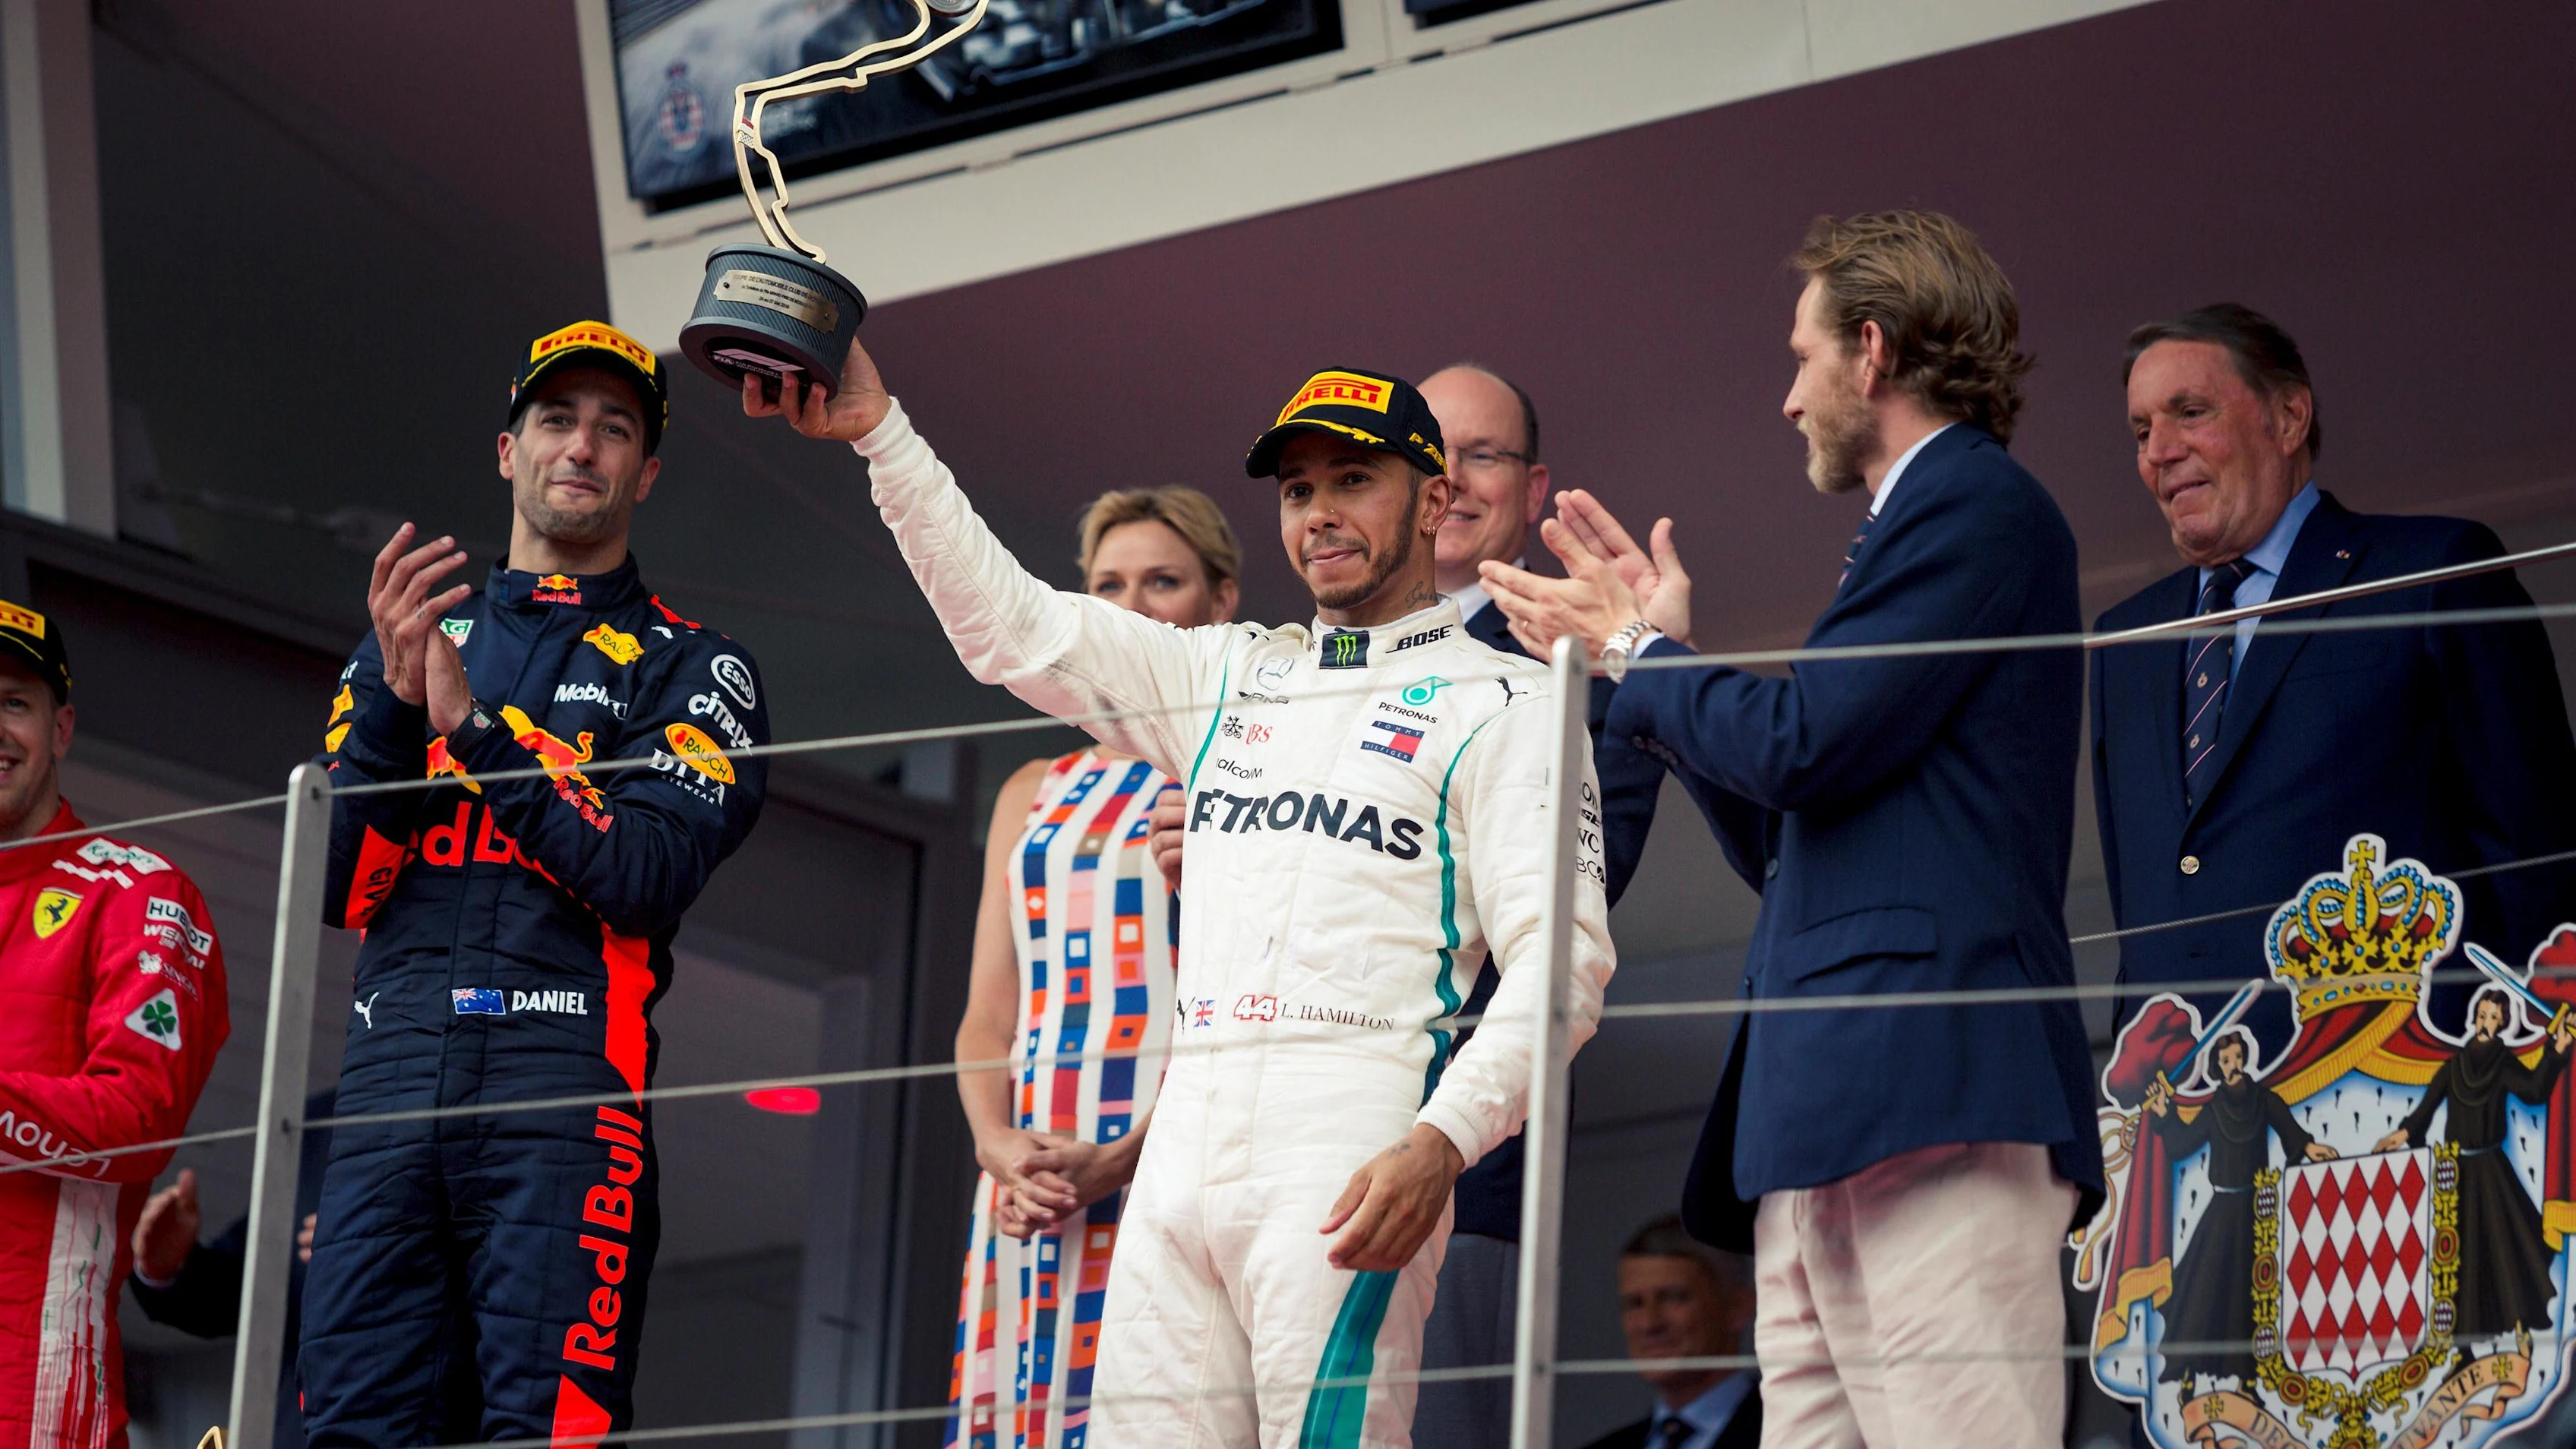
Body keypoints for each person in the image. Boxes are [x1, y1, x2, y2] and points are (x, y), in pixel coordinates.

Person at [747, 346, 1615, 1447]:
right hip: (1184, 1139)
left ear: (1433, 498)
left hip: (1350, 1131)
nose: (1321, 514)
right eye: (1299, 489)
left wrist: (1441, 1141)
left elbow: (1565, 965)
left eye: (1356, 480)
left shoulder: (1511, 700)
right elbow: (1010, 625)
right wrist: (881, 433)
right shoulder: (1225, 672)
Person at [1482, 210, 2104, 1446]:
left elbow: (1806, 740)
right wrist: (1660, 663)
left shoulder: (1972, 505)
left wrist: (1636, 650)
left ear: (1870, 350)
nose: (1786, 398)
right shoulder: (1913, 531)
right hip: (1828, 1110)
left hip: (1933, 1089)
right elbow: (1795, 830)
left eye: (1800, 355)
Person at [299, 320, 771, 1446]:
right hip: (387, 1085)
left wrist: (471, 731)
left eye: (616, 430)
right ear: (507, 449)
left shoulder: (696, 666)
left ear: (645, 474)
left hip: (565, 1094)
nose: (583, 448)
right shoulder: (399, 643)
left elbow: (644, 877)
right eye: (557, 420)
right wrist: (397, 713)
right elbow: (338, 885)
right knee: (351, 1431)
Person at [2093, 305, 2576, 1057]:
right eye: (2140, 431)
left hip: (2413, 1082)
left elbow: (2535, 856)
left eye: (2188, 413)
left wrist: (2542, 1071)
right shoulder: (2122, 642)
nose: (2159, 451)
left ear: (2287, 417)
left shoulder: (2429, 571)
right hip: (2189, 1114)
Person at [1408, 363, 1668, 1447]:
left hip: (1465, 1166)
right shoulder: (1314, 668)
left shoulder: (1587, 665)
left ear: (1533, 486)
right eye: (1431, 453)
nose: (1454, 480)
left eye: (1485, 455)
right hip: (1294, 1157)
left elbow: (1582, 901)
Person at [946, 487, 1240, 1448]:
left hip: (1170, 1176)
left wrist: (1121, 1158)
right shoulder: (1033, 788)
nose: (1132, 604)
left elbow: (1244, 1005)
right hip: (1030, 1188)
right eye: (1107, 584)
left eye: (1164, 580)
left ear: (1220, 601)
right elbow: (989, 1014)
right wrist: (997, 1147)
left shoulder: (1242, 774)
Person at [0, 599, 231, 1448]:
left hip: (36, 1403)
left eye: (12, 702)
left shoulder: (137, 892)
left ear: (61, 728)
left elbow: (140, 1119)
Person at [127, 1089, 335, 1449]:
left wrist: (374, 1251)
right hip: (298, 1433)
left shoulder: (460, 1100)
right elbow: (252, 1277)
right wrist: (171, 1267)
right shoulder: (320, 1120)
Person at [2373, 989, 2576, 1340]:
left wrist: (2556, 1050)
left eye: (2494, 1018)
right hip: (2458, 1174)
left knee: (2507, 1249)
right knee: (2461, 1256)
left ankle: (2519, 1327)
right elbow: (2427, 1107)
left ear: (2502, 1025)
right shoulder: (2453, 1068)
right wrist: (2402, 1134)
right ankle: (2463, 1342)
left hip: (2492, 1171)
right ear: (2474, 1018)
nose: (2486, 1023)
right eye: (2482, 1015)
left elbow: (2534, 1091)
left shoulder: (2503, 1065)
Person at [2139, 1031, 2329, 1388]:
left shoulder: (2263, 1100)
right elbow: (2182, 1145)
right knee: (2204, 1288)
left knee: (2253, 1293)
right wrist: (2165, 1115)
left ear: (2245, 1058)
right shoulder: (2213, 1111)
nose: (2233, 1065)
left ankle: (2250, 1379)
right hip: (2222, 1211)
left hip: (2258, 1212)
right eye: (2226, 1061)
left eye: (2238, 1057)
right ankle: (2188, 1376)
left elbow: (2291, 1131)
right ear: (2217, 1068)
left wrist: (2309, 1147)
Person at [1578, 1215, 1762, 1449]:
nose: (1649, 1324)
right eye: (1635, 1303)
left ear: (1738, 1308)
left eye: (1673, 1298)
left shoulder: (1794, 1436)